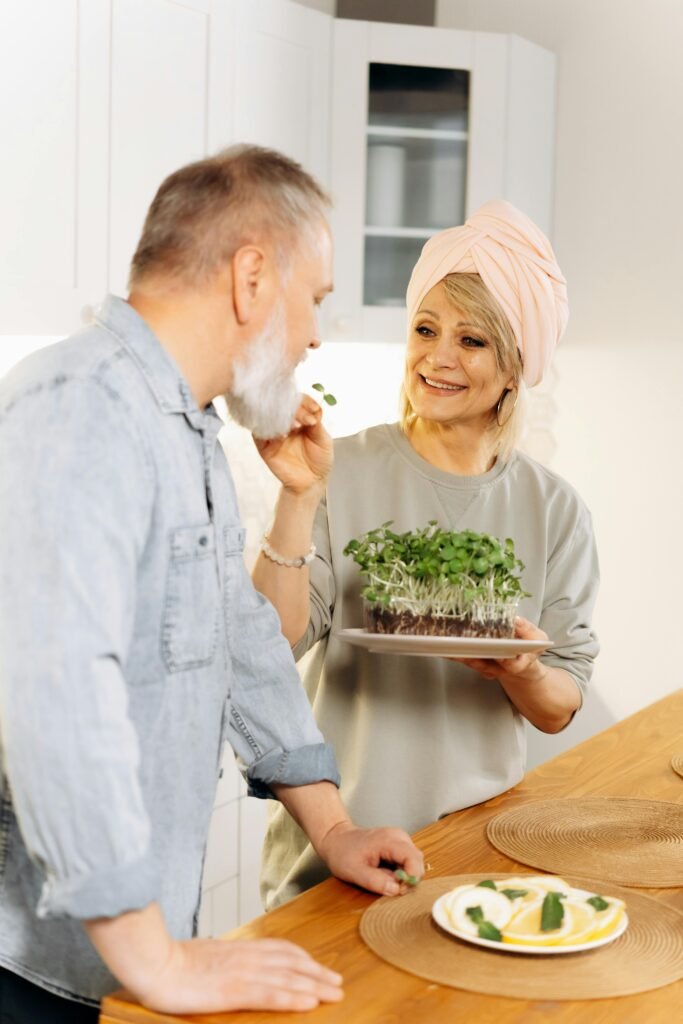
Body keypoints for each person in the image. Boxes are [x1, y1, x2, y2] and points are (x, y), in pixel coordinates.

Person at [0, 145, 423, 1023]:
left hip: (115, 965)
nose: (314, 335)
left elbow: (241, 641)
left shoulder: (181, 428)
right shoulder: (80, 403)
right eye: (315, 300)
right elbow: (55, 692)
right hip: (34, 973)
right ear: (253, 277)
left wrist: (332, 829)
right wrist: (157, 962)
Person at [253, 200, 600, 910]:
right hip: (334, 854)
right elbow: (270, 641)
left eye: (472, 340)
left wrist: (523, 672)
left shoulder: (554, 509)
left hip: (476, 854)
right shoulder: (334, 469)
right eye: (424, 329)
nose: (439, 356)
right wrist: (296, 498)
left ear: (514, 368)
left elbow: (560, 703)